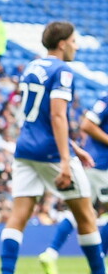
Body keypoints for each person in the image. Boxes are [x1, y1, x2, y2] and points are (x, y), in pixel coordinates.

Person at [0, 21, 103, 274]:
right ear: (63, 43)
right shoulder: (63, 71)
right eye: (75, 41)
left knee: (18, 217)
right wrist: (66, 160)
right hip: (51, 153)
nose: (76, 47)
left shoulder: (32, 66)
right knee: (87, 217)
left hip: (25, 149)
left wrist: (74, 148)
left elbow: (38, 118)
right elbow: (57, 116)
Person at [37, 87, 108, 274]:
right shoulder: (107, 99)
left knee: (85, 212)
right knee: (83, 212)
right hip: (99, 165)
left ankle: (52, 253)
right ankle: (98, 262)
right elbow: (87, 125)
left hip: (99, 166)